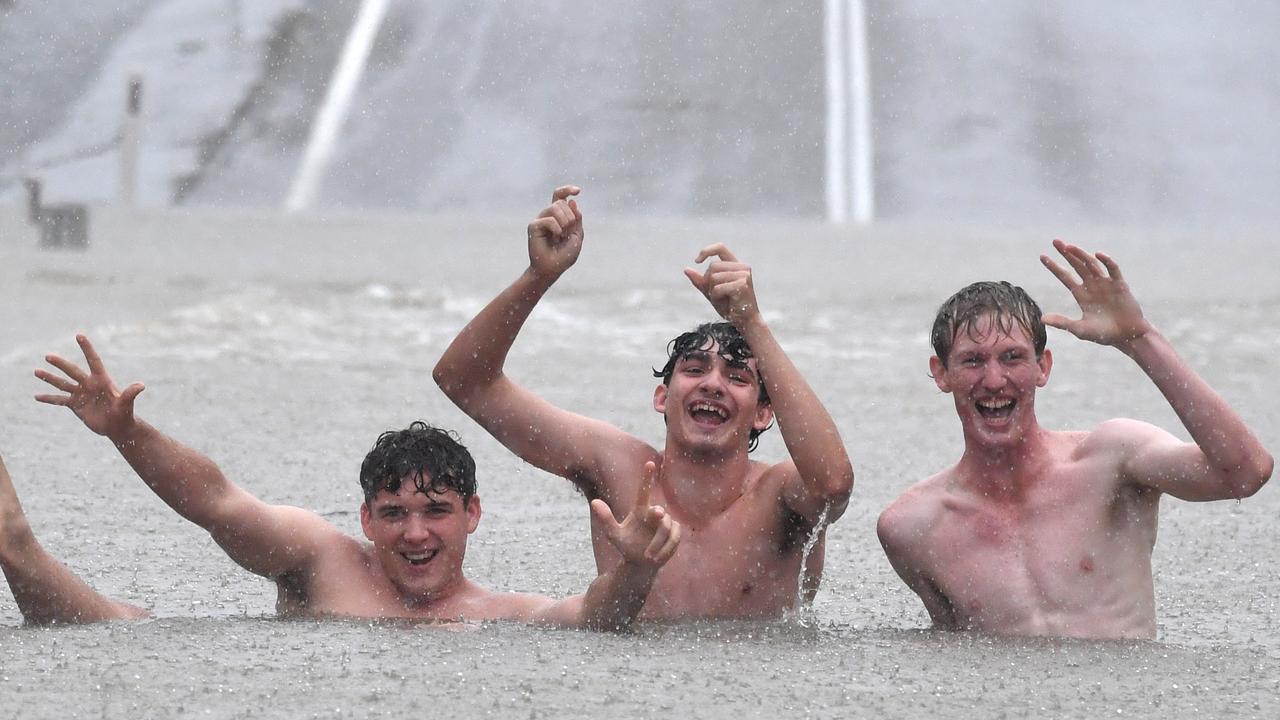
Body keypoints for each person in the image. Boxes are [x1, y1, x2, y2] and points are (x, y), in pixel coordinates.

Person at [20, 334, 680, 629]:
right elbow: (218, 503)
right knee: (104, 622)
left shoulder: (506, 615)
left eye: (435, 511)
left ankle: (11, 541)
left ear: (473, 513)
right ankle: (13, 541)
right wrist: (126, 432)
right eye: (393, 513)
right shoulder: (318, 558)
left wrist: (638, 570)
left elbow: (599, 617)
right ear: (365, 520)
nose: (415, 533)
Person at [433, 186, 854, 619]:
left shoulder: (780, 495)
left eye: (737, 377)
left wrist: (752, 322)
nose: (712, 384)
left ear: (766, 413)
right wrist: (538, 277)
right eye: (694, 370)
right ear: (661, 397)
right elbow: (465, 382)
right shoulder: (616, 467)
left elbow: (834, 483)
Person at [877, 239, 1273, 639]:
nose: (994, 381)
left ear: (1042, 367)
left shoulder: (1114, 461)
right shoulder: (912, 528)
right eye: (973, 361)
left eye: (1013, 358)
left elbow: (1246, 473)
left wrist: (1139, 339)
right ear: (941, 373)